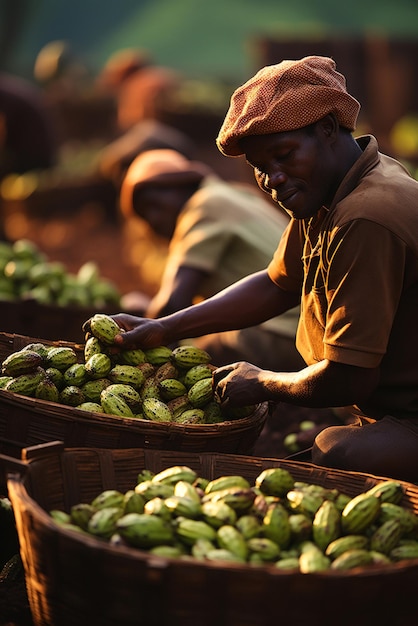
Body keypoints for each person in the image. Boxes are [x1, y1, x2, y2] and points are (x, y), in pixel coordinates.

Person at [93, 55, 418, 482]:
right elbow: (275, 284)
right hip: (390, 407)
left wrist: (262, 381)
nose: (273, 179)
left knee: (335, 455)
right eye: (261, 168)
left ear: (327, 128)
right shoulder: (331, 190)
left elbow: (349, 380)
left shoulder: (365, 215)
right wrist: (165, 328)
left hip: (407, 413)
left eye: (284, 156)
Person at [118, 148, 303, 371]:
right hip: (299, 325)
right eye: (145, 217)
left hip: (280, 331)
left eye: (154, 205)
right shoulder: (234, 194)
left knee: (191, 360)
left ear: (180, 185)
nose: (153, 220)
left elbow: (172, 304)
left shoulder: (204, 205)